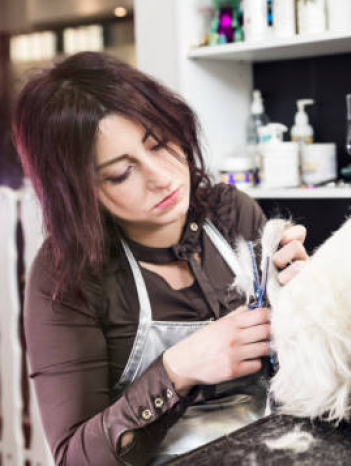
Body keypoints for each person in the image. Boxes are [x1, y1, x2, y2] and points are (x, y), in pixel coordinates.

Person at [12, 52, 309, 465]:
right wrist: (176, 371)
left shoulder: (231, 214)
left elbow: (298, 377)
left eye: (158, 143)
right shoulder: (67, 275)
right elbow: (73, 459)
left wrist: (307, 302)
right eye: (120, 173)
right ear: (78, 192)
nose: (161, 176)